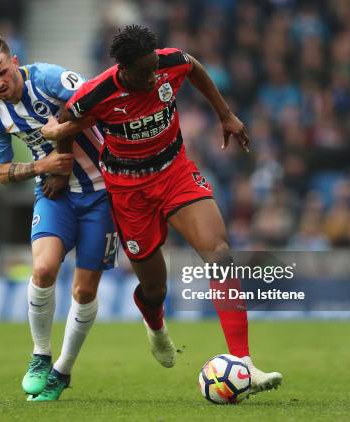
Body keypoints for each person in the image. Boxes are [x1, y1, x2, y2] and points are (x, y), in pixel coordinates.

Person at [41, 25, 282, 394]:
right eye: (143, 71)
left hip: (174, 173)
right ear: (122, 67)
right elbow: (68, 123)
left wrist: (225, 114)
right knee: (154, 288)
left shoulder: (168, 63)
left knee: (218, 254)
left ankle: (244, 363)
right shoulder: (97, 93)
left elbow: (194, 67)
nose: (153, 76)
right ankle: (155, 326)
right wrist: (61, 160)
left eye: (154, 66)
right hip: (128, 190)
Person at [0, 35, 118, 401]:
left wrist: (60, 156)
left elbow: (95, 105)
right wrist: (44, 166)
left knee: (83, 290)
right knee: (43, 270)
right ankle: (40, 355)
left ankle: (62, 370)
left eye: (2, 72)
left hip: (102, 191)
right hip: (55, 195)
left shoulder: (51, 79)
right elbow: (1, 172)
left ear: (14, 61)